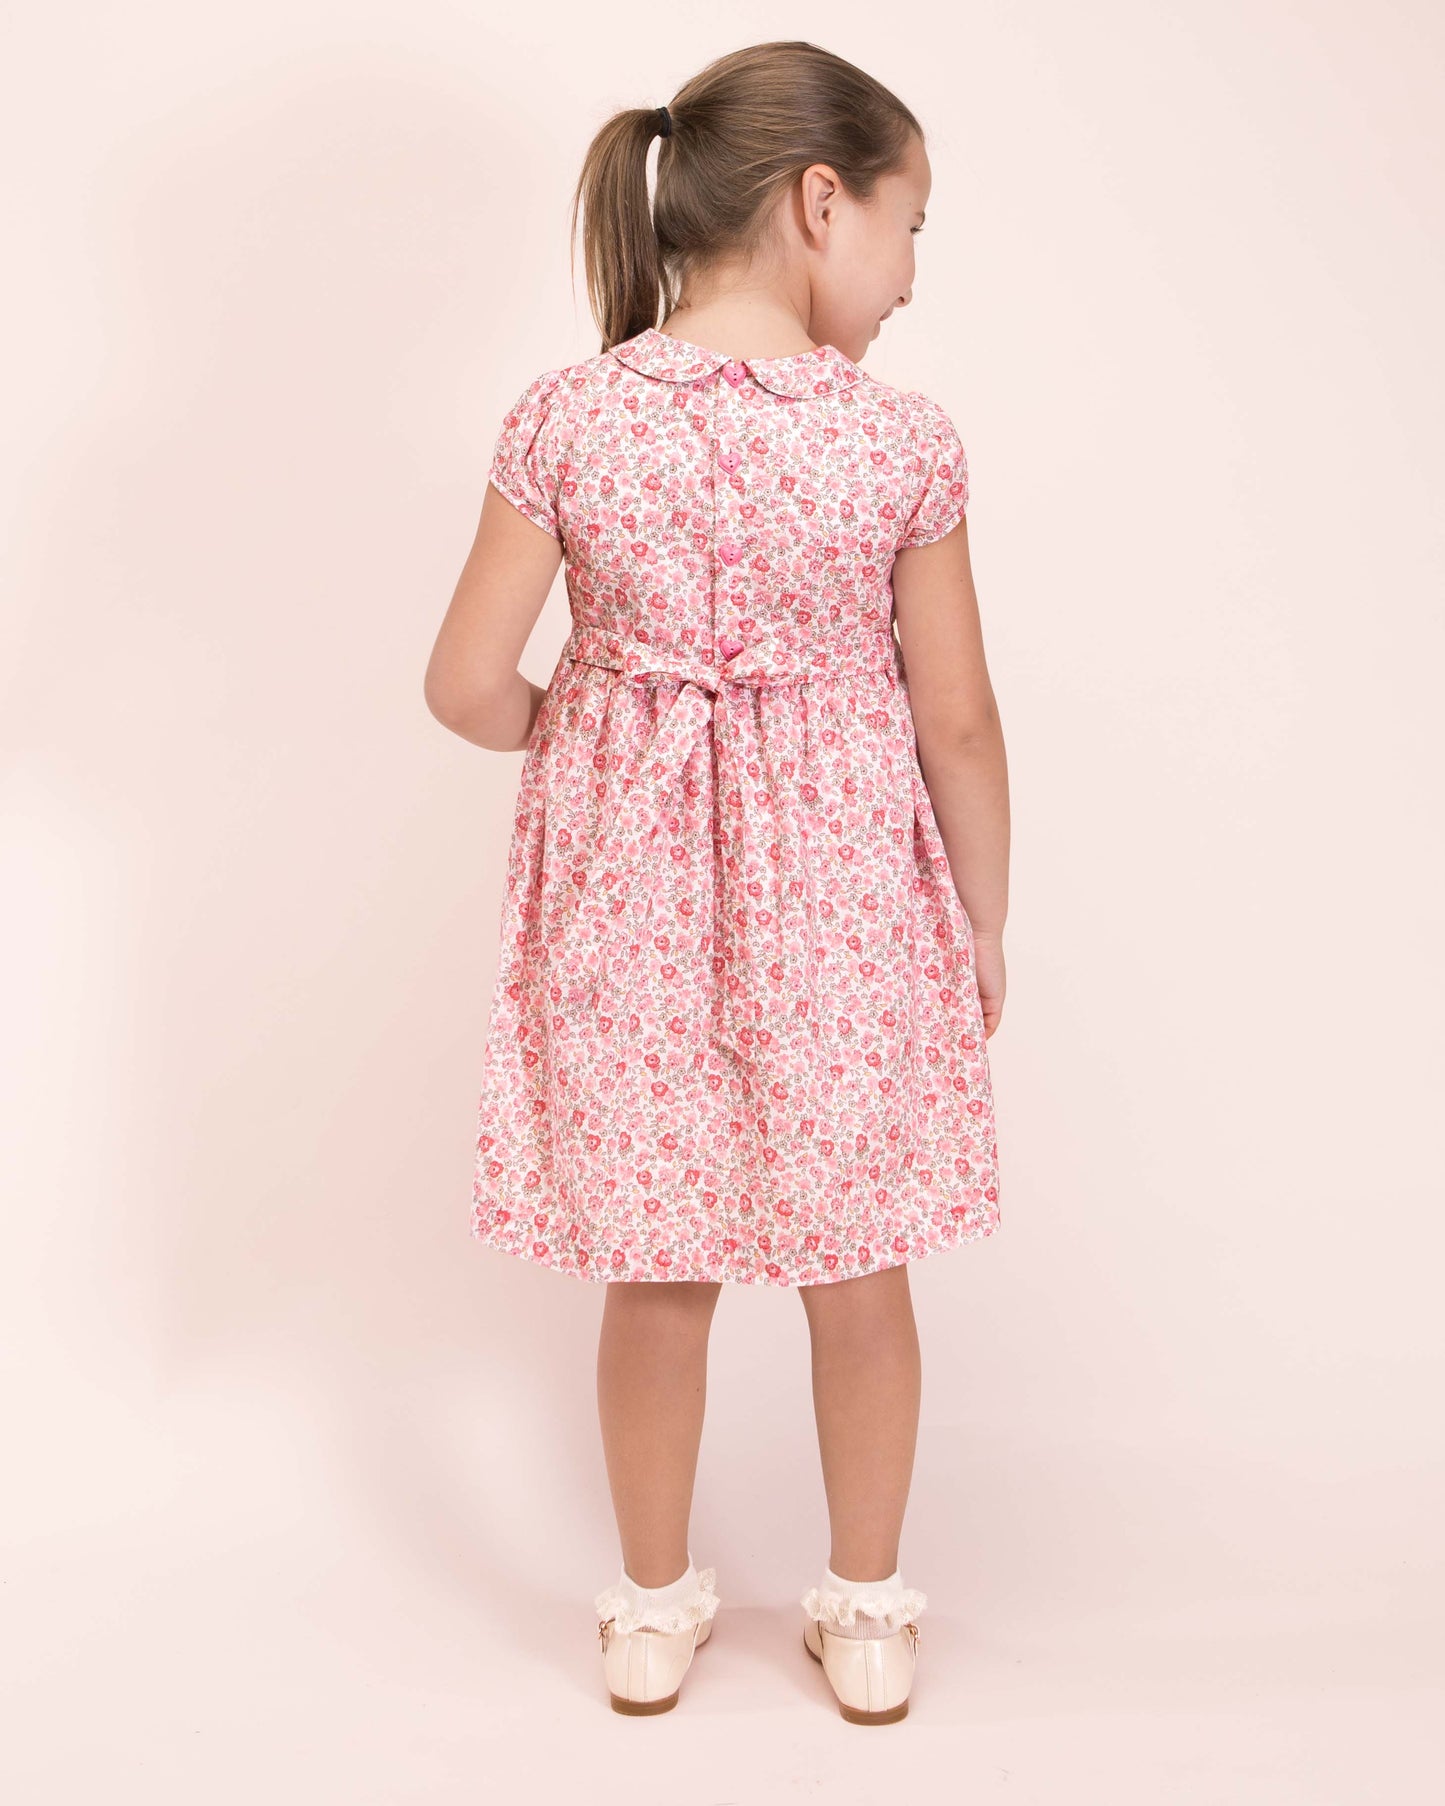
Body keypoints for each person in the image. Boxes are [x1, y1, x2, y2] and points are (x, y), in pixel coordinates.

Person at [424, 40, 1009, 1723]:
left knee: (656, 1260)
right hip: (848, 911)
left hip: (629, 909)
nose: (910, 274)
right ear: (821, 201)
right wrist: (981, 917)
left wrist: (588, 726)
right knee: (860, 1261)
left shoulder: (567, 418)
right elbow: (956, 718)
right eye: (908, 225)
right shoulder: (898, 444)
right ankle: (869, 1611)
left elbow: (462, 684)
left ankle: (649, 1608)